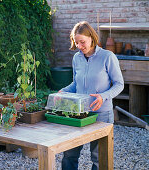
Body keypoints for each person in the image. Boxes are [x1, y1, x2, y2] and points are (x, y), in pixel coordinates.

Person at [59, 21, 124, 170]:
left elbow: (119, 84)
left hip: (101, 114)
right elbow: (76, 84)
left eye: (82, 42)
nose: (79, 46)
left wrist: (104, 96)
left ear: (92, 38)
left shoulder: (108, 57)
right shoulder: (77, 58)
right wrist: (62, 92)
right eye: (77, 43)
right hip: (79, 112)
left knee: (98, 158)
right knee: (69, 153)